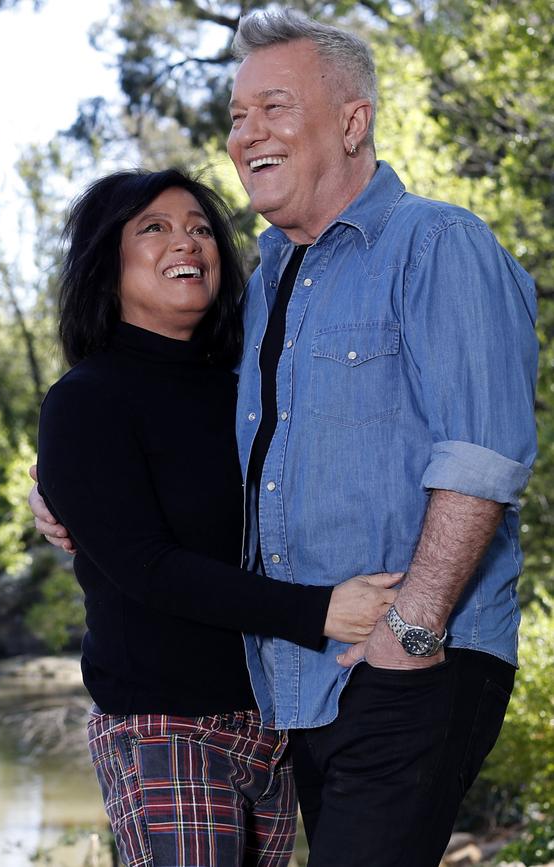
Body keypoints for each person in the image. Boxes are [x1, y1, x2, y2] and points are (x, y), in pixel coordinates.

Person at [32, 10, 538, 866]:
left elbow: (481, 456)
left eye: (274, 106)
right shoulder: (273, 289)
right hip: (295, 690)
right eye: (236, 116)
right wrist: (60, 491)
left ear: (352, 120)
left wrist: (411, 631)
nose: (247, 133)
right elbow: (163, 487)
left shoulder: (435, 243)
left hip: (410, 657)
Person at [36, 167, 399, 867]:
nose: (189, 242)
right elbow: (149, 567)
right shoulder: (86, 400)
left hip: (273, 719)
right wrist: (321, 610)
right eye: (156, 228)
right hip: (163, 724)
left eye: (201, 228)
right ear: (105, 263)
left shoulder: (254, 388)